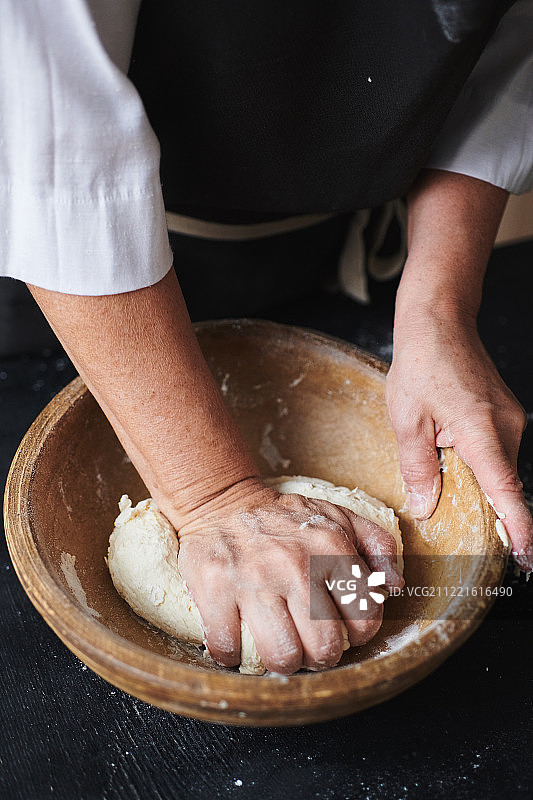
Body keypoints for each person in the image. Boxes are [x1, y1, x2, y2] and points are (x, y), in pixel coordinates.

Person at [2, 0, 532, 674]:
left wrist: (439, 307)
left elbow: (506, 37)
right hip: (55, 280)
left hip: (313, 239)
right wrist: (213, 499)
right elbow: (50, 134)